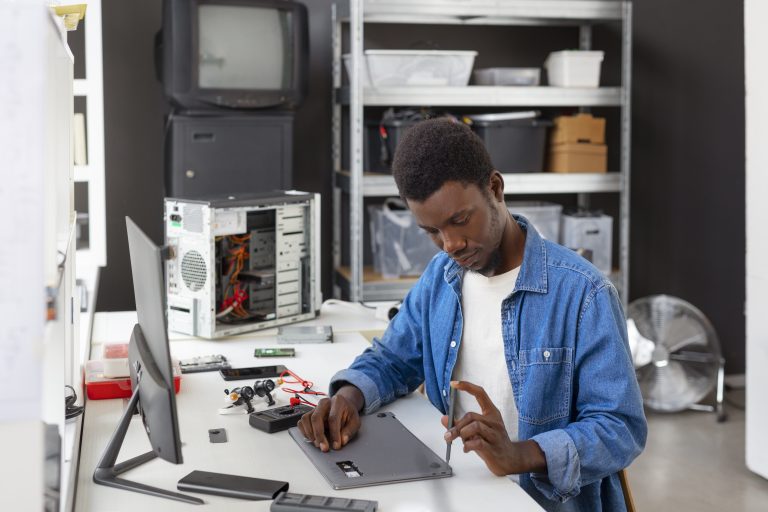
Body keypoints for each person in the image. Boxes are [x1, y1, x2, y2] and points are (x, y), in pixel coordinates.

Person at [297, 118, 647, 511]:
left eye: (460, 220)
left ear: (495, 189)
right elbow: (393, 359)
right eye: (431, 230)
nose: (450, 244)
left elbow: (621, 427)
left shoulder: (584, 293)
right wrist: (348, 396)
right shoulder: (441, 278)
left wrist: (520, 454)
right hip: (457, 490)